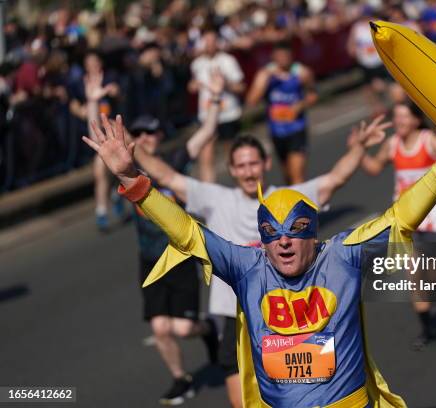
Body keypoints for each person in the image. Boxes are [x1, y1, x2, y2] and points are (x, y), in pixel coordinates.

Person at [83, 113, 436, 408]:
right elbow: (186, 232)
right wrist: (131, 177)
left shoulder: (343, 255)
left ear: (314, 233)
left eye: (295, 232)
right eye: (272, 235)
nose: (283, 243)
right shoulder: (248, 267)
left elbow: (401, 217)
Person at [132, 114, 391, 407]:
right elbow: (166, 177)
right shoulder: (215, 199)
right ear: (231, 169)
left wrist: (358, 148)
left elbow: (335, 179)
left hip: (285, 315)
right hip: (233, 315)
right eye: (240, 165)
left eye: (253, 163)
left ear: (266, 164)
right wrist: (130, 152)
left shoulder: (288, 199)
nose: (248, 171)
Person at [85, 73, 220, 407]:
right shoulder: (127, 169)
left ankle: (207, 329)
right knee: (160, 328)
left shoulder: (173, 163)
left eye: (151, 132)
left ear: (160, 135)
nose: (145, 137)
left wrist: (215, 99)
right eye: (139, 132)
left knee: (184, 328)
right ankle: (181, 379)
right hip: (150, 259)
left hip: (181, 255)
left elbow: (206, 132)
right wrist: (93, 101)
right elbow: (102, 139)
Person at [359, 100, 436, 349]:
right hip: (405, 222)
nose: (399, 122)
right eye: (396, 117)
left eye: (404, 117)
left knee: (435, 279)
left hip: (433, 220)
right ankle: (427, 329)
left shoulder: (428, 140)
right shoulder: (393, 143)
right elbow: (374, 168)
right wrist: (360, 149)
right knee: (414, 276)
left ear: (416, 120)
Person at [246, 41, 318, 185]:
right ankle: (290, 203)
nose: (282, 59)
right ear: (273, 57)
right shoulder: (266, 74)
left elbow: (313, 95)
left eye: (285, 56)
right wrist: (264, 82)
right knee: (287, 175)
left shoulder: (302, 73)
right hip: (276, 131)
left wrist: (301, 105)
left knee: (297, 174)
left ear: (291, 56)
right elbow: (251, 101)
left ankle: (301, 207)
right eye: (279, 56)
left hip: (297, 128)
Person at [71, 50, 121, 231]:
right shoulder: (80, 83)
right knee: (100, 171)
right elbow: (73, 104)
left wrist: (111, 91)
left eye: (95, 61)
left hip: (114, 131)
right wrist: (82, 109)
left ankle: (117, 193)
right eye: (88, 62)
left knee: (116, 170)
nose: (92, 64)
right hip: (95, 134)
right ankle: (101, 211)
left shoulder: (109, 77)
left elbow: (117, 90)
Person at [190, 28, 245, 182]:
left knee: (233, 156)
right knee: (205, 156)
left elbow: (241, 87)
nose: (209, 45)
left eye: (212, 41)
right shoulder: (197, 64)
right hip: (207, 116)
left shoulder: (228, 60)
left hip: (228, 114)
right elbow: (193, 84)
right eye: (206, 42)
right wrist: (193, 85)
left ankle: (241, 189)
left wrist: (224, 83)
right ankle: (209, 196)